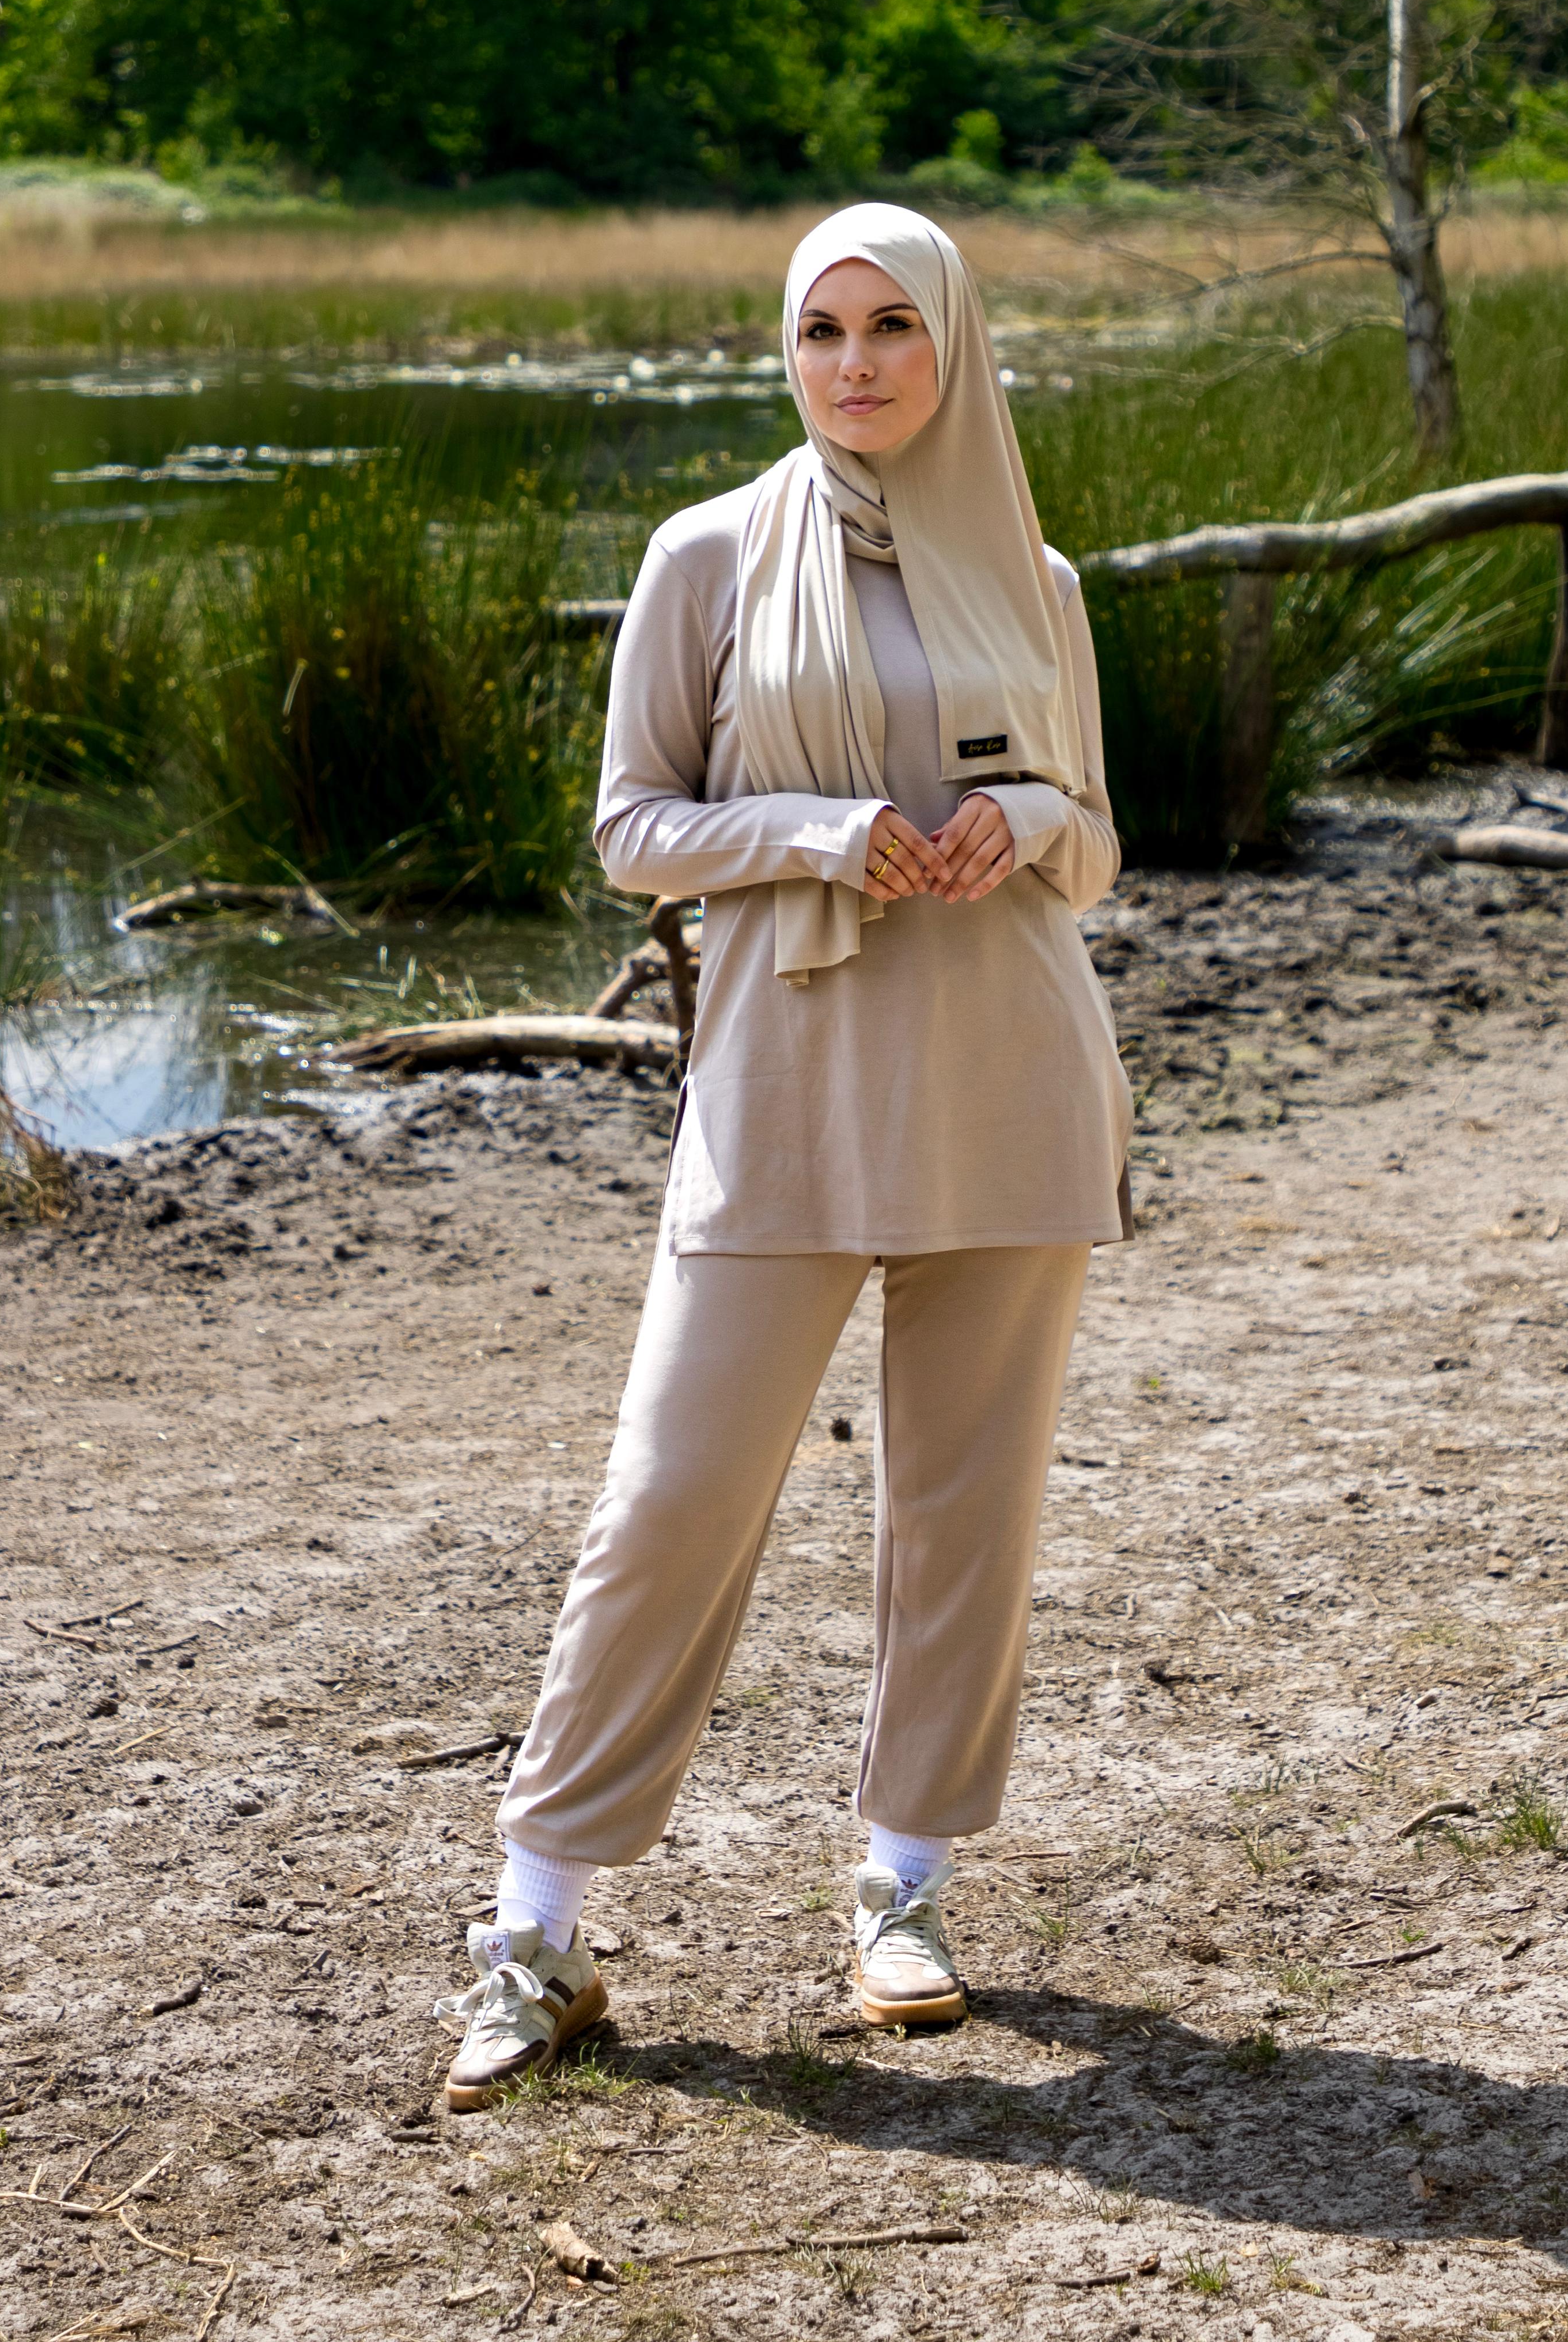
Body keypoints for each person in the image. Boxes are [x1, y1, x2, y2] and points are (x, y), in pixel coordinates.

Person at [434, 202, 1133, 2103]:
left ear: (952, 343)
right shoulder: (711, 553)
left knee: (966, 1506)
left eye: (892, 325)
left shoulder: (1037, 574)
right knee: (672, 1497)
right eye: (822, 330)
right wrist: (822, 832)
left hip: (1011, 1078)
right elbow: (632, 829)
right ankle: (535, 1933)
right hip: (788, 1088)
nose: (856, 363)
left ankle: (906, 1889)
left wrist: (1025, 818)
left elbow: (1095, 841)